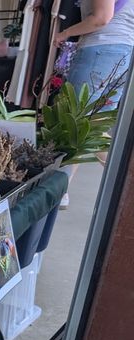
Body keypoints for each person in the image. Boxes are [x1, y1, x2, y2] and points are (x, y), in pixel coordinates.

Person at [53, 0, 134, 206]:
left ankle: (58, 189)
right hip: (123, 54)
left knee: (74, 123)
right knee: (90, 127)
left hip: (100, 51)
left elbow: (101, 18)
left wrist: (64, 33)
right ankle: (61, 190)